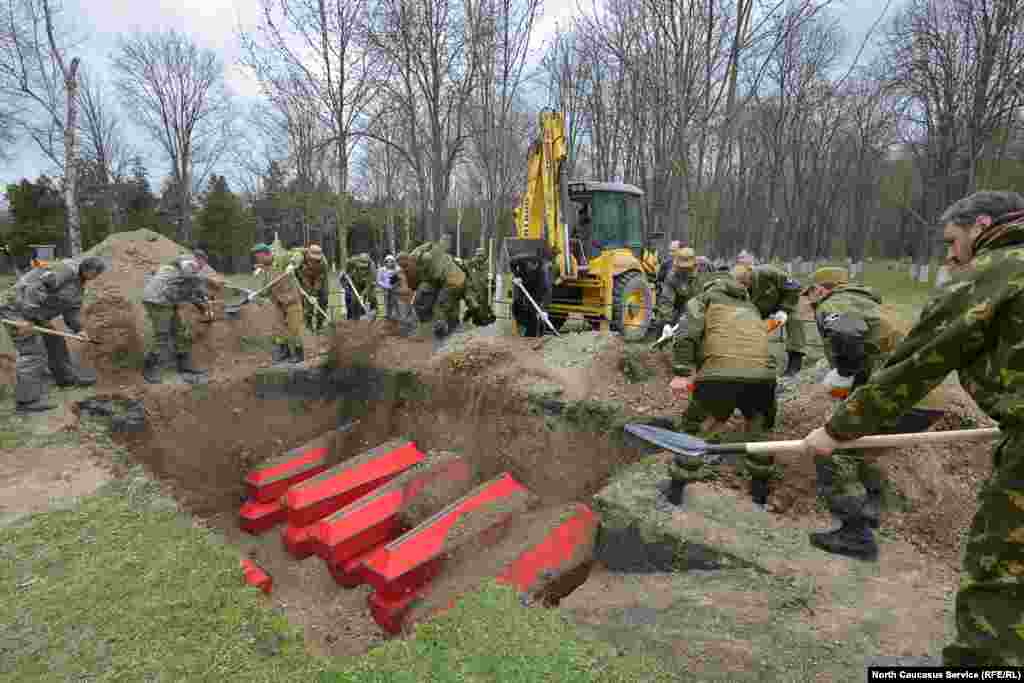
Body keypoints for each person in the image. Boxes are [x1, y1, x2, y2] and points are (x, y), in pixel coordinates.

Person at [801, 190, 1024, 666]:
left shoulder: (993, 272)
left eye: (953, 239)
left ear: (982, 224)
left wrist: (838, 429)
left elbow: (918, 363)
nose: (949, 253)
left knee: (999, 582)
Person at [668, 268, 779, 505]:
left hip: (720, 375)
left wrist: (681, 372)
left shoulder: (702, 300)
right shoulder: (751, 307)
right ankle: (759, 495)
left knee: (694, 429)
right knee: (760, 432)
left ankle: (675, 493)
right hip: (763, 378)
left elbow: (687, 334)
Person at [0, 256, 104, 413]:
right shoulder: (64, 272)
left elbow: (71, 311)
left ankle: (65, 378)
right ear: (88, 269)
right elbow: (34, 287)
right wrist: (28, 318)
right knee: (33, 352)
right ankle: (27, 402)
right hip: (16, 311)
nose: (96, 278)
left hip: (35, 315)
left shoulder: (79, 284)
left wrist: (79, 330)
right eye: (96, 274)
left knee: (55, 340)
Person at [141, 251, 214, 384]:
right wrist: (200, 289)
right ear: (198, 259)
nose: (201, 268)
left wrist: (200, 303)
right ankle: (150, 368)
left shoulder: (181, 269)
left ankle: (184, 364)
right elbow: (189, 277)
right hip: (157, 300)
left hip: (167, 300)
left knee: (179, 332)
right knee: (162, 335)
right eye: (202, 264)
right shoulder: (187, 261)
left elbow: (185, 290)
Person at [733, 263, 806, 376]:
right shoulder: (735, 288)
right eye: (740, 284)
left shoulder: (767, 272)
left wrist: (784, 309)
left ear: (749, 274)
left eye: (744, 282)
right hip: (758, 309)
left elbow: (794, 287)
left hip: (783, 302)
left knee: (794, 320)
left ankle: (795, 362)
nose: (744, 286)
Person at [397, 235, 467, 339]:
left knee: (441, 306)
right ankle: (428, 327)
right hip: (435, 280)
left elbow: (437, 274)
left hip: (451, 280)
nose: (405, 268)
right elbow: (409, 281)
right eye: (402, 266)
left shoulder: (426, 258)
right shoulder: (411, 263)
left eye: (406, 265)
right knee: (420, 301)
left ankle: (446, 332)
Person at [251, 243, 305, 364]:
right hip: (278, 303)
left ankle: (298, 353)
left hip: (292, 300)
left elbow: (299, 254)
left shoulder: (282, 258)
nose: (257, 260)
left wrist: (292, 264)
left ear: (266, 254)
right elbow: (265, 290)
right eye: (256, 257)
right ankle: (283, 352)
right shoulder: (265, 270)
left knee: (294, 328)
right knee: (278, 329)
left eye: (259, 256)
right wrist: (255, 295)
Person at [655, 246, 699, 330]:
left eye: (687, 268)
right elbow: (666, 301)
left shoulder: (704, 270)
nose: (685, 270)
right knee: (663, 324)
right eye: (682, 268)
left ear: (694, 265)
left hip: (699, 306)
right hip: (679, 304)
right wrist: (667, 323)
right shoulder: (672, 277)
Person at [292, 244, 330, 332]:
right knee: (306, 300)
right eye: (313, 259)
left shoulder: (323, 263)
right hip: (303, 278)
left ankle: (320, 325)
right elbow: (303, 278)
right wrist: (309, 294)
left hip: (318, 278)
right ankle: (308, 325)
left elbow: (319, 280)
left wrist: (314, 293)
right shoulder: (300, 257)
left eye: (316, 259)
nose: (314, 261)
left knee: (324, 298)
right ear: (308, 254)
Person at [342, 252, 377, 320]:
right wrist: (346, 274)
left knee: (372, 297)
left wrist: (363, 294)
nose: (363, 270)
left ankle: (371, 316)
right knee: (354, 300)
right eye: (361, 267)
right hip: (355, 282)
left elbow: (369, 285)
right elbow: (345, 272)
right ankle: (354, 318)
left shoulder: (372, 268)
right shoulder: (352, 261)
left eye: (365, 268)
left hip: (367, 283)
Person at [377, 254, 400, 321]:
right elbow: (379, 280)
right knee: (386, 302)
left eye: (391, 261)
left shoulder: (397, 269)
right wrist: (386, 286)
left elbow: (400, 279)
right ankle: (387, 315)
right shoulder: (381, 270)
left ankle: (397, 315)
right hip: (385, 289)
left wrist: (395, 285)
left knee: (395, 302)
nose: (389, 263)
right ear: (385, 262)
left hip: (395, 289)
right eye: (388, 261)